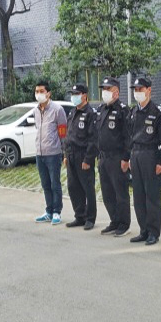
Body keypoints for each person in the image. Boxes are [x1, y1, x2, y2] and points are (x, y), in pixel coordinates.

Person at [128, 77, 161, 246]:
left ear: (149, 90)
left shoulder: (158, 111)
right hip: (136, 155)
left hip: (151, 155)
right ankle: (143, 230)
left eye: (140, 89)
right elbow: (130, 136)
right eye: (135, 90)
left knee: (151, 196)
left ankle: (153, 232)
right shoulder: (133, 111)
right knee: (138, 196)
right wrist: (129, 157)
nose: (137, 92)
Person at [95, 77, 131, 237]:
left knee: (120, 193)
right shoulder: (101, 109)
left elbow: (127, 136)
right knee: (107, 193)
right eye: (103, 89)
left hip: (117, 157)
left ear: (116, 92)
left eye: (108, 89)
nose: (105, 92)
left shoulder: (123, 110)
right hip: (104, 157)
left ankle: (124, 224)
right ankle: (114, 221)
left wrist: (126, 158)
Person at [64, 83, 98, 230]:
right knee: (73, 187)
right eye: (73, 94)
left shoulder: (90, 113)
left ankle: (90, 218)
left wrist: (88, 159)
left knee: (87, 188)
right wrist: (66, 154)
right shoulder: (72, 112)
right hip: (71, 154)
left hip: (83, 155)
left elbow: (93, 139)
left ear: (84, 95)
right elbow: (68, 135)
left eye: (77, 94)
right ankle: (80, 216)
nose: (74, 97)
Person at [33, 82, 67, 225]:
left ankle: (56, 212)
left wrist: (64, 153)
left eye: (42, 91)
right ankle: (48, 211)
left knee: (55, 184)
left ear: (48, 93)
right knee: (45, 184)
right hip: (40, 153)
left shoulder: (57, 110)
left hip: (53, 153)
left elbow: (63, 132)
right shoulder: (35, 110)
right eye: (37, 91)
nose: (39, 94)